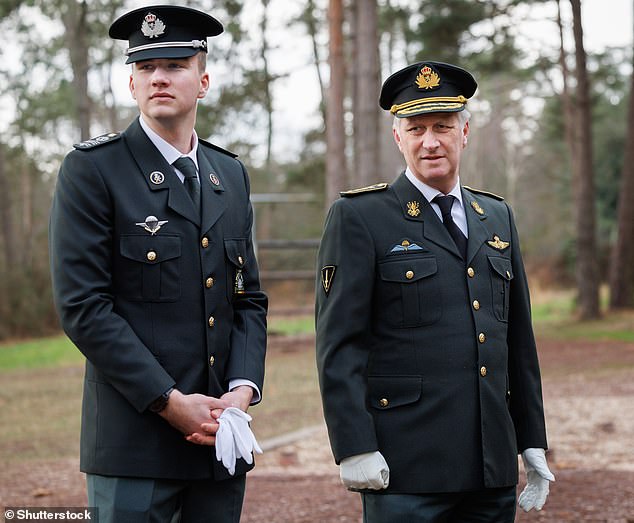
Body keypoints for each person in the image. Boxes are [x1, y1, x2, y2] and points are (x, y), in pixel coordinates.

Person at [49, 5, 267, 522]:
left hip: (219, 442)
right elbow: (84, 308)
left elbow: (247, 299)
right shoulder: (93, 170)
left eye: (174, 65)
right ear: (132, 84)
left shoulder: (228, 174)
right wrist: (169, 401)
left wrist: (241, 388)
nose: (159, 78)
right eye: (146, 68)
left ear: (203, 79)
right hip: (134, 446)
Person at [315, 60, 554, 522]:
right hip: (405, 468)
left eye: (443, 126)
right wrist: (353, 446)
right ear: (397, 137)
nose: (430, 141)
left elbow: (519, 344)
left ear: (465, 133)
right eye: (416, 127)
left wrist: (531, 439)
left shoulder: (496, 216)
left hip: (490, 467)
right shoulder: (360, 217)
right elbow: (339, 346)